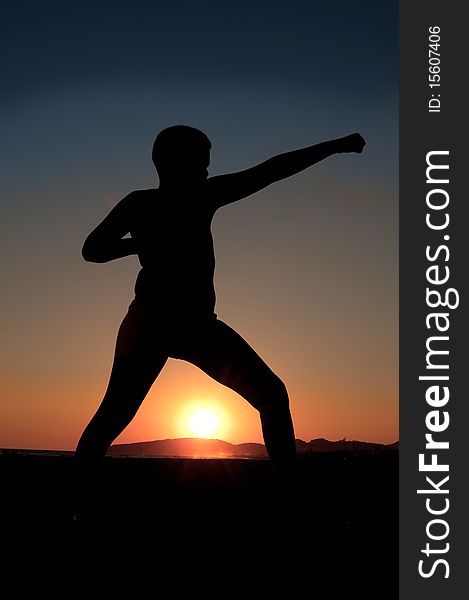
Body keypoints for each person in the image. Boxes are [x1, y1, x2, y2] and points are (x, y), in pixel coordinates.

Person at [74, 125, 366, 488]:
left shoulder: (147, 202)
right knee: (113, 417)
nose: (207, 170)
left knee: (270, 395)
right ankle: (292, 500)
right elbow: (271, 170)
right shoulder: (190, 197)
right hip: (163, 322)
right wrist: (336, 145)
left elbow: (94, 249)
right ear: (176, 162)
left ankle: (76, 501)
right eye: (202, 163)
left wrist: (138, 245)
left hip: (177, 324)